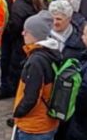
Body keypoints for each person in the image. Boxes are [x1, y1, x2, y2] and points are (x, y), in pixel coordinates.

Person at [12, 11, 61, 140]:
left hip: (34, 126)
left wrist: (17, 113)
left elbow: (31, 97)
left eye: (26, 31)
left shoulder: (36, 61)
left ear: (35, 34)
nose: (23, 34)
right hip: (47, 121)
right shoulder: (51, 53)